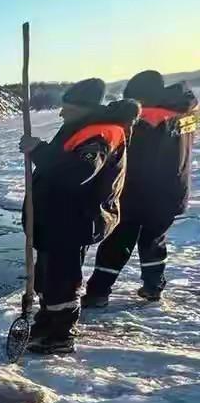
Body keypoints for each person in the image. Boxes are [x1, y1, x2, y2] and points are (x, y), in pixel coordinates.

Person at [18, 78, 140, 354]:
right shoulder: (83, 128)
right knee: (48, 277)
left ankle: (60, 336)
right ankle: (47, 322)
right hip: (60, 218)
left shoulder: (100, 134)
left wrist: (38, 151)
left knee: (61, 280)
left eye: (67, 107)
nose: (61, 113)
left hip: (74, 220)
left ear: (83, 108)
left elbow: (76, 173)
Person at [83, 71, 198, 306]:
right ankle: (153, 287)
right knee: (154, 240)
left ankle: (98, 293)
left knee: (117, 242)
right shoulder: (188, 116)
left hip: (136, 193)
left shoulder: (145, 119)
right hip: (172, 192)